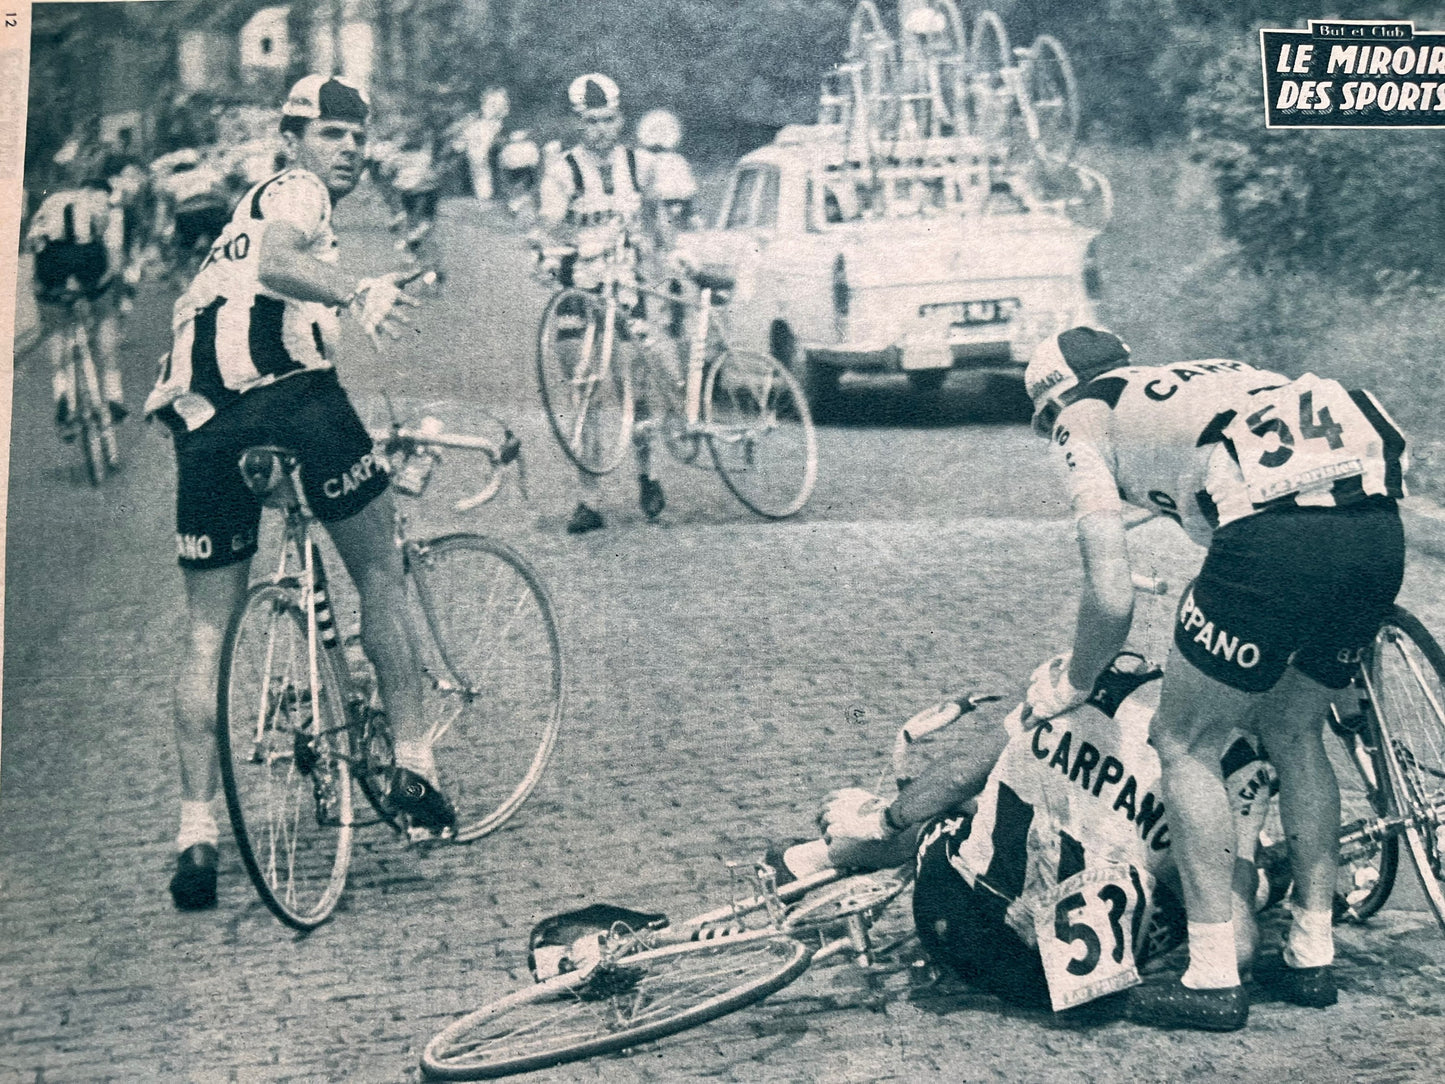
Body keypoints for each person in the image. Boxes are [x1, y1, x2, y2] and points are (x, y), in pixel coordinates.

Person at [1019, 326, 1408, 1029]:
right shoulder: (1197, 376)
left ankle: (1210, 977)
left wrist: (1074, 683)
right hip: (1376, 527)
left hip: (1275, 539)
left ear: (1049, 406)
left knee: (1183, 741)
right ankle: (1311, 956)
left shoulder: (1079, 420)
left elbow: (1110, 596)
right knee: (1294, 733)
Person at [144, 75, 451, 913]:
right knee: (378, 569)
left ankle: (195, 833)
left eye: (359, 137)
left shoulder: (228, 235)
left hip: (200, 423)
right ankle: (417, 766)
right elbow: (284, 264)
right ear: (293, 140)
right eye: (331, 134)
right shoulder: (294, 192)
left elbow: (253, 282)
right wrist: (356, 289)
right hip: (292, 399)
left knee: (208, 628)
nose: (349, 149)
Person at [810, 655, 1276, 1014]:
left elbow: (956, 776)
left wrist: (884, 818)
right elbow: (1239, 946)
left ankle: (825, 855)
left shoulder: (1090, 675)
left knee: (959, 803)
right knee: (1203, 881)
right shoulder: (1245, 771)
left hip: (955, 927)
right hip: (1061, 986)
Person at [535, 72, 663, 534]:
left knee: (641, 388)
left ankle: (647, 474)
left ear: (620, 118)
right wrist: (560, 247)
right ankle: (588, 500)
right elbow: (549, 226)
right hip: (581, 291)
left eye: (608, 120)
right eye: (591, 122)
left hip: (627, 289)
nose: (600, 131)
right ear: (578, 123)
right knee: (585, 393)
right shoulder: (562, 169)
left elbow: (656, 223)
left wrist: (662, 262)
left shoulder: (641, 165)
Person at [27, 141, 128, 430]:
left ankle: (62, 394)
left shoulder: (50, 200)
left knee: (55, 329)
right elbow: (113, 255)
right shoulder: (103, 204)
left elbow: (33, 243)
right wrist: (109, 286)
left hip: (51, 262)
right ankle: (112, 394)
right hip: (88, 260)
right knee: (106, 317)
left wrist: (39, 286)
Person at [635, 109, 698, 247]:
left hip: (674, 210)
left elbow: (687, 197)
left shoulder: (677, 161)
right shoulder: (638, 159)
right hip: (646, 213)